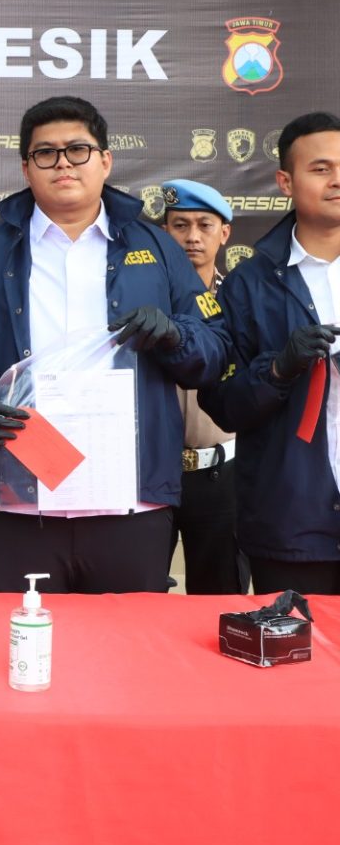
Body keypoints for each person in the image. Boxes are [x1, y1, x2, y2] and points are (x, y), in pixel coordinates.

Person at [0, 96, 229, 594]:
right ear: (26, 168)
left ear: (106, 161)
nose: (63, 163)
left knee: (124, 641)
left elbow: (214, 349)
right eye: (46, 153)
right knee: (14, 638)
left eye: (78, 150)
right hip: (13, 501)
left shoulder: (159, 249)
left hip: (130, 500)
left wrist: (174, 335)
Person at [199, 112, 340, 595]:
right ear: (285, 181)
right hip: (292, 522)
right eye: (321, 168)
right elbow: (222, 404)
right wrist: (279, 368)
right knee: (297, 642)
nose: (336, 179)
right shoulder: (248, 284)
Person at [161, 179, 247, 594]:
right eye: (180, 225)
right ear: (164, 232)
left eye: (204, 225)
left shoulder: (242, 302)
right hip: (150, 474)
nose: (192, 237)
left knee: (220, 600)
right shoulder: (144, 300)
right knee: (135, 598)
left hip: (221, 475)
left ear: (224, 233)